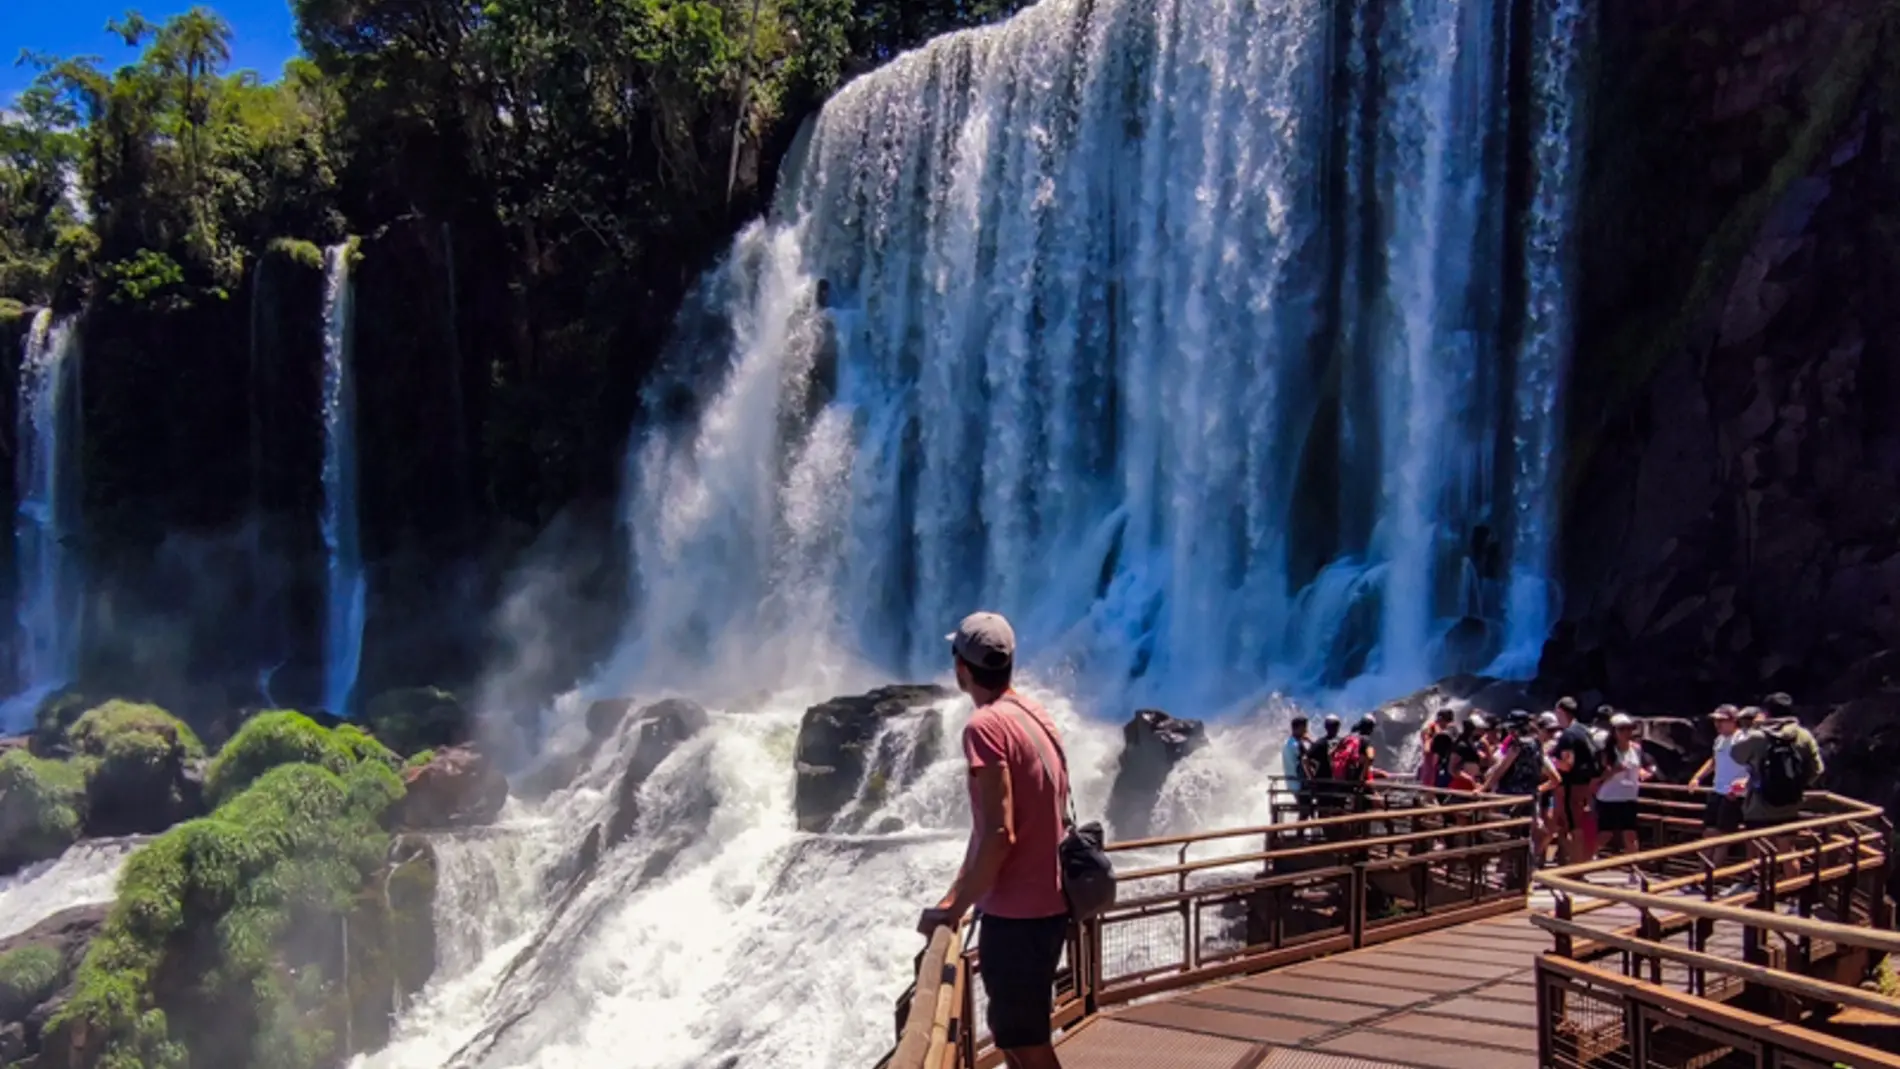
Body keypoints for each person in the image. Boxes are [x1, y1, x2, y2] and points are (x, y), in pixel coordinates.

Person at [919, 612, 1068, 1069]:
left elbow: (1000, 833)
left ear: (962, 668)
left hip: (1018, 914)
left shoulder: (984, 727)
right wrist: (955, 896)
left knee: (1026, 1044)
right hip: (1049, 904)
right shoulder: (1033, 714)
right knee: (1014, 1036)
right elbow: (987, 829)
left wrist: (954, 911)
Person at [1689, 705, 1750, 869]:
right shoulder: (1719, 739)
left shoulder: (1742, 739)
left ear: (1733, 721)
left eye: (1722, 721)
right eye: (1716, 720)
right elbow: (1713, 761)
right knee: (1708, 832)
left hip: (1733, 794)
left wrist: (1741, 785)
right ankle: (1701, 872)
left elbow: (1754, 766)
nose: (1718, 724)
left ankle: (1710, 875)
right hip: (1717, 790)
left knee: (1722, 836)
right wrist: (1698, 777)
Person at [1595, 713, 1654, 875]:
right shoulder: (1607, 751)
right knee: (1605, 834)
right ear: (1614, 732)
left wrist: (1644, 772)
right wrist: (1614, 770)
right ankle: (1584, 860)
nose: (1627, 732)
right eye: (1622, 729)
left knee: (1630, 833)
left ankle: (1634, 869)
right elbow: (1599, 776)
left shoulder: (1636, 748)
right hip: (1609, 797)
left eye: (1629, 729)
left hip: (1629, 796)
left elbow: (1647, 765)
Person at [1550, 697, 1600, 865]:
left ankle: (1577, 866)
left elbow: (1567, 764)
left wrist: (1549, 762)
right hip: (1586, 786)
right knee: (1572, 825)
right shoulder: (1585, 731)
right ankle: (1568, 862)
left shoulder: (1568, 735)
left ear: (1561, 712)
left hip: (1571, 787)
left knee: (1573, 826)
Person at [1283, 716, 1316, 822]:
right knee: (1305, 811)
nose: (1306, 730)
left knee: (1306, 810)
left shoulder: (1289, 742)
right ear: (1297, 728)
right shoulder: (1295, 745)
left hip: (1292, 782)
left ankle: (1300, 833)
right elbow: (1307, 759)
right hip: (1299, 783)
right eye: (1304, 727)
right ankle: (1299, 834)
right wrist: (1311, 741)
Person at [1419, 707, 1456, 788]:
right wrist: (1428, 737)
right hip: (1431, 775)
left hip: (1443, 773)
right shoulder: (1432, 735)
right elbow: (1427, 750)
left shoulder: (1451, 733)